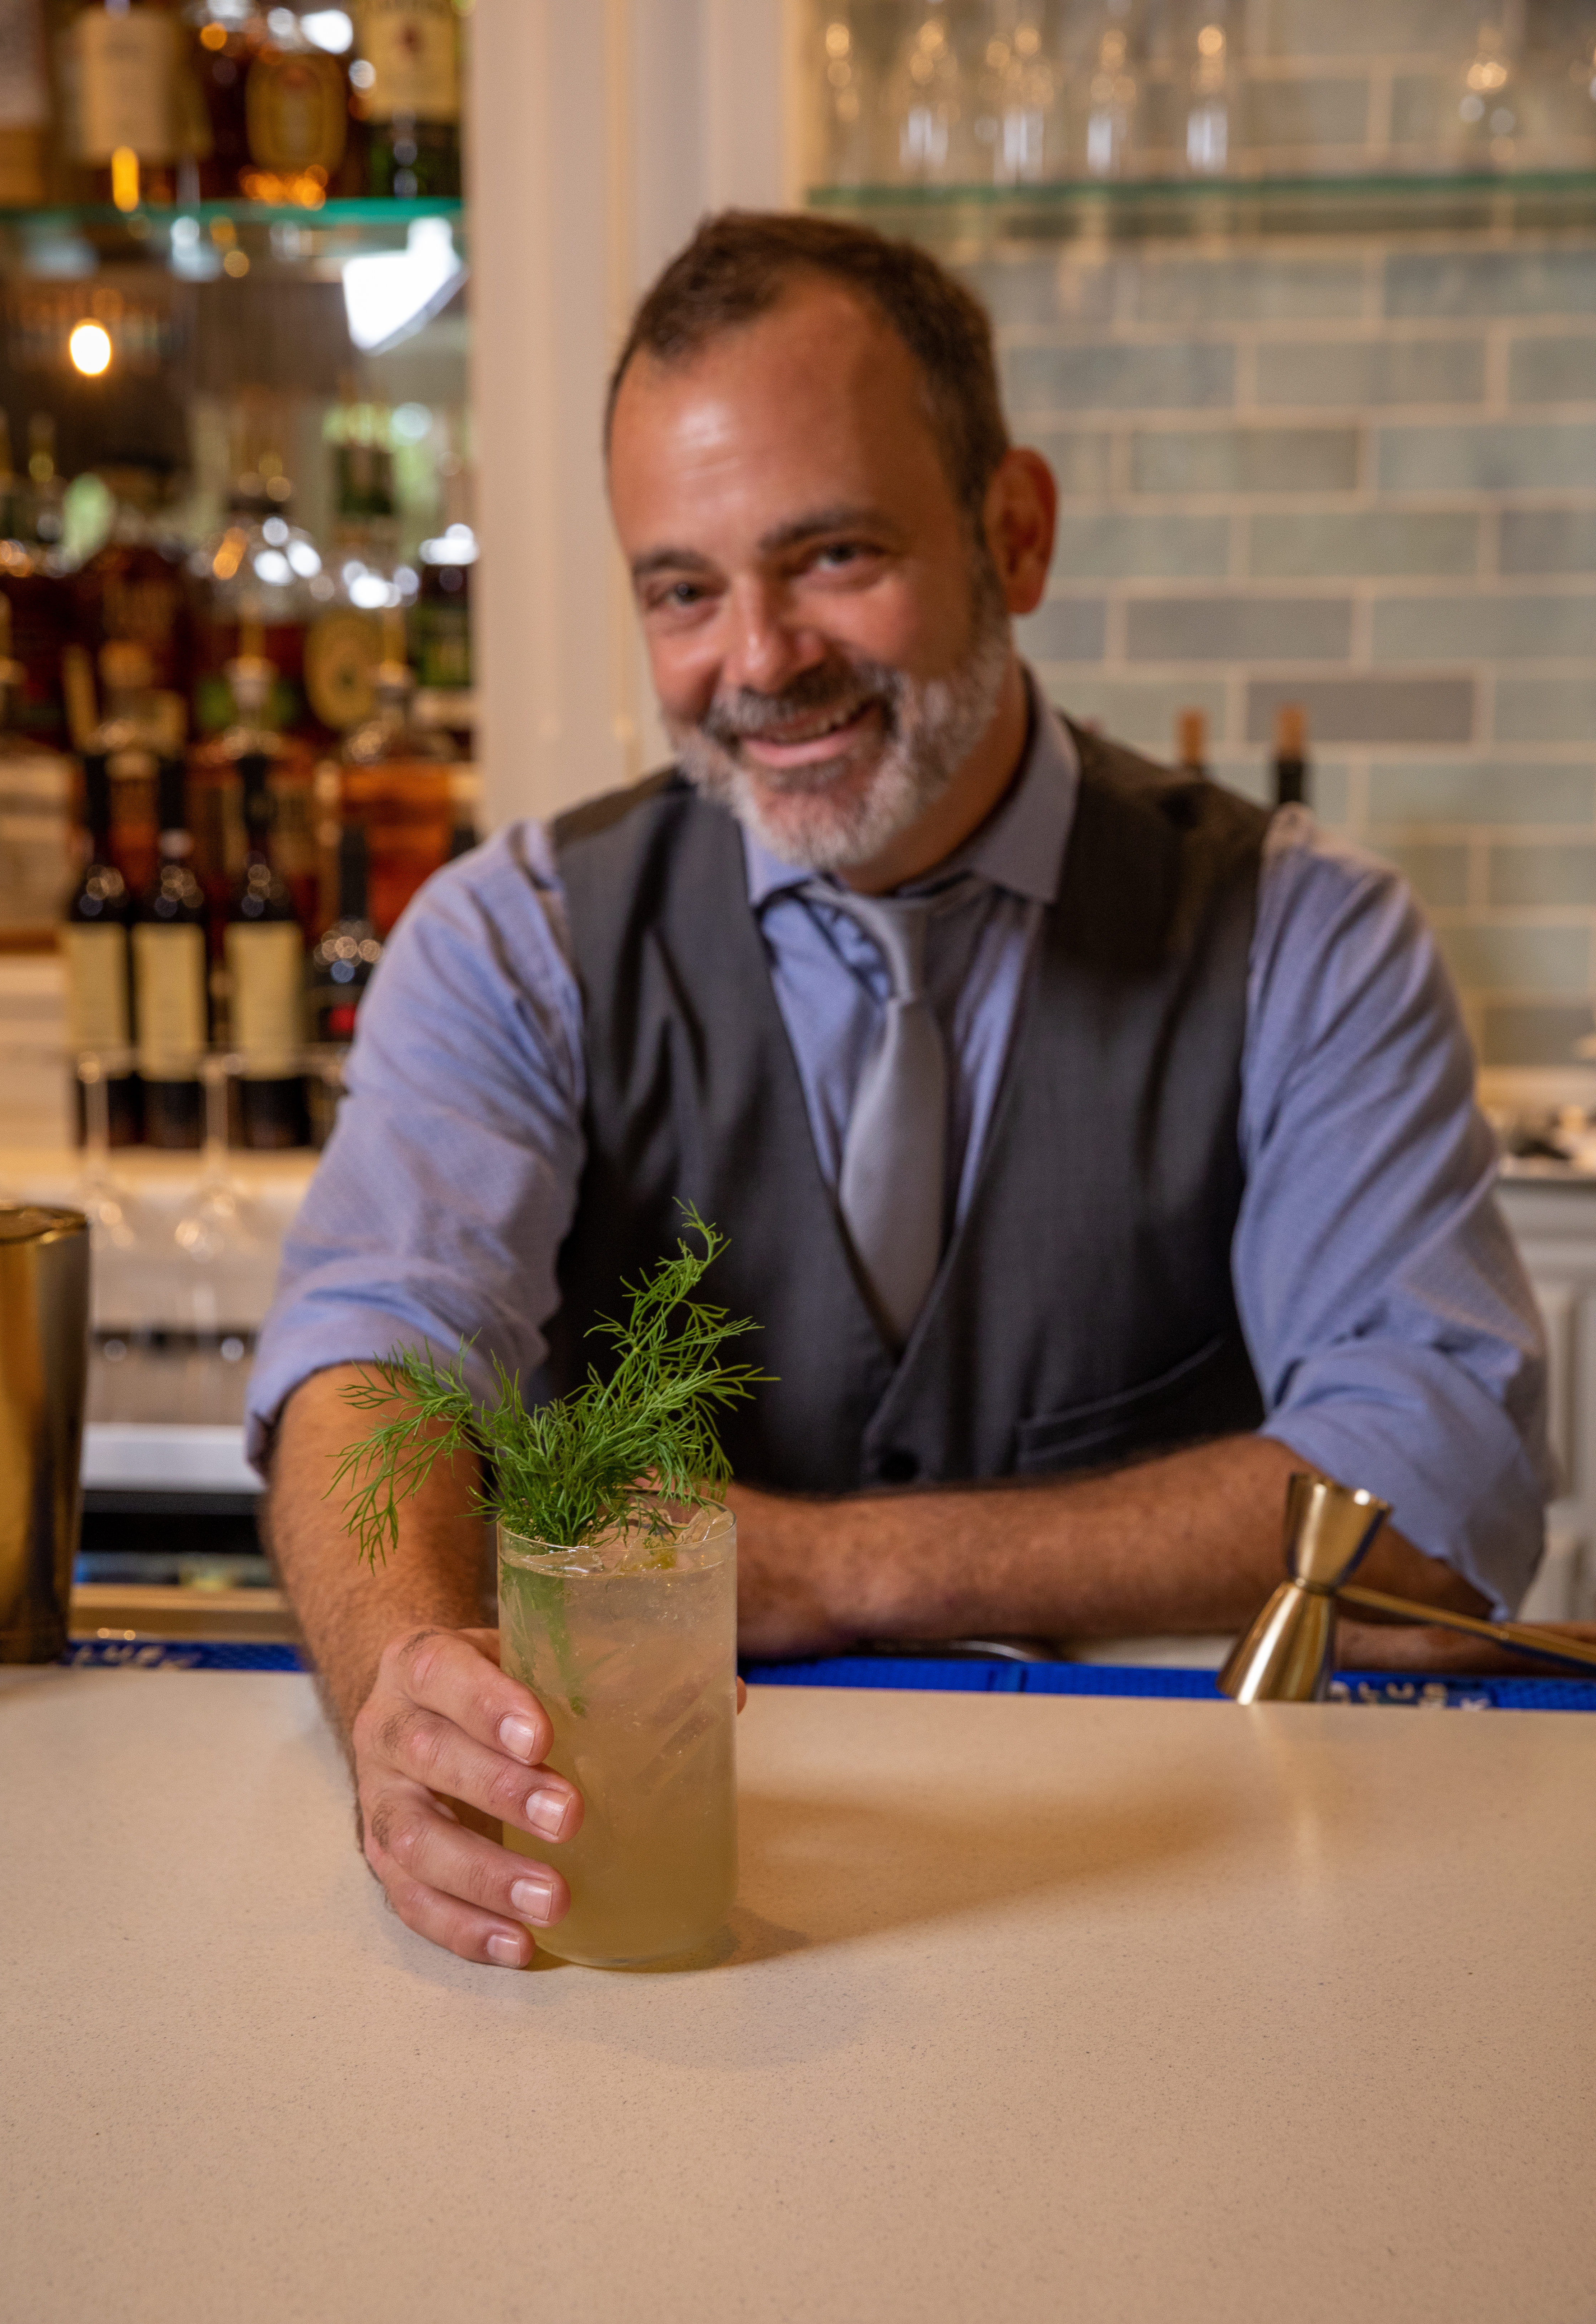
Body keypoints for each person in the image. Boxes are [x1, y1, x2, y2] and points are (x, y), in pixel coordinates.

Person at [255, 212, 1553, 1969]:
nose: (762, 658)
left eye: (834, 554)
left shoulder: (1305, 939)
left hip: (1184, 1907)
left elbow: (1445, 1492)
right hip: (667, 1899)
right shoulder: (512, 942)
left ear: (1012, 530)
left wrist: (829, 1568)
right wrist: (400, 1685)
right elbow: (369, 1365)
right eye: (684, 589)